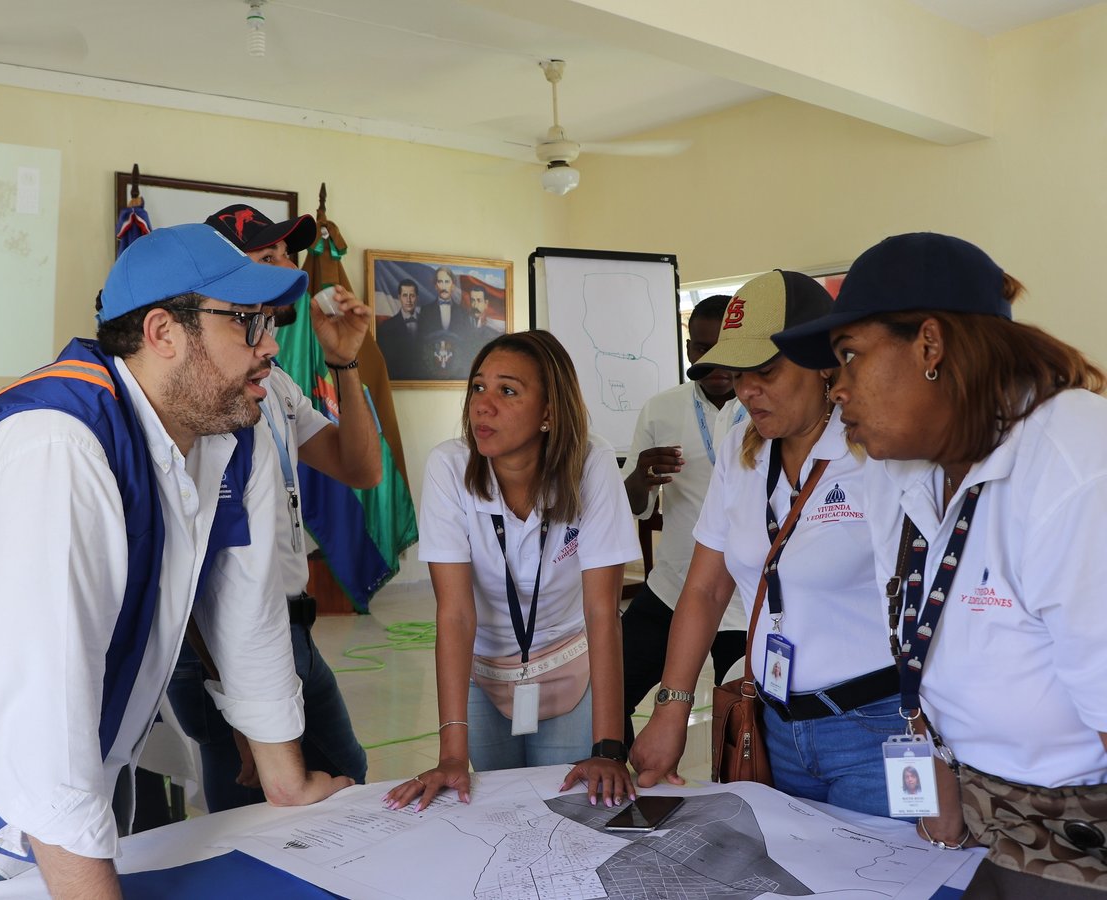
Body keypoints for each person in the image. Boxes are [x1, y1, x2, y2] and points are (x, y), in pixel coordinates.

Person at [0, 224, 352, 899]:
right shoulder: (57, 447)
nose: (270, 348)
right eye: (247, 323)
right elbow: (42, 728)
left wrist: (286, 782)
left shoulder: (231, 430)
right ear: (163, 332)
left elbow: (245, 610)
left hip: (80, 774)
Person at [772, 232, 1107, 897]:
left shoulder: (1074, 463)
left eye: (848, 356)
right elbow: (921, 640)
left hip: (1078, 831)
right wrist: (940, 777)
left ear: (929, 344)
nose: (835, 388)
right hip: (973, 820)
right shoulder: (899, 473)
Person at [630, 270, 901, 818]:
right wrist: (672, 708)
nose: (745, 388)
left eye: (766, 371)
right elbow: (705, 589)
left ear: (824, 362)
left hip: (875, 730)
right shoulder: (741, 451)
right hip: (773, 726)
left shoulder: (877, 452)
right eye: (738, 372)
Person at [160, 205, 379, 812]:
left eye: (289, 254)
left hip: (289, 626)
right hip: (219, 642)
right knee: (253, 815)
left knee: (344, 773)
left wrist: (346, 362)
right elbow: (203, 565)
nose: (290, 269)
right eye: (268, 257)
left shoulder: (272, 379)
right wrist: (237, 696)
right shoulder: (202, 388)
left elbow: (360, 468)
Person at [383, 331, 641, 813]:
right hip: (484, 670)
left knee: (569, 814)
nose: (483, 405)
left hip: (569, 663)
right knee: (503, 813)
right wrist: (451, 754)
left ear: (549, 412)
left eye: (507, 391)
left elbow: (602, 608)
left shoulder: (592, 463)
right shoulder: (449, 466)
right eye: (478, 388)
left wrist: (609, 748)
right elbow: (455, 613)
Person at [619, 295, 748, 747]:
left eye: (725, 349)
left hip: (746, 602)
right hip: (672, 586)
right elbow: (632, 505)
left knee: (746, 725)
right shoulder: (661, 409)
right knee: (607, 694)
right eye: (702, 349)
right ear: (690, 350)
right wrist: (640, 476)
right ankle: (609, 782)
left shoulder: (768, 409)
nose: (715, 362)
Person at [377, 279, 425, 379]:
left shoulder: (428, 323)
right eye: (405, 295)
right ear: (399, 297)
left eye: (412, 295)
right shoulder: (387, 327)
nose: (409, 300)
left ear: (417, 297)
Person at [418, 266, 473, 336]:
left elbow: (467, 340)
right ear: (436, 286)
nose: (444, 286)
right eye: (440, 282)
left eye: (447, 282)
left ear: (453, 286)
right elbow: (421, 340)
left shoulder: (463, 313)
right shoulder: (425, 311)